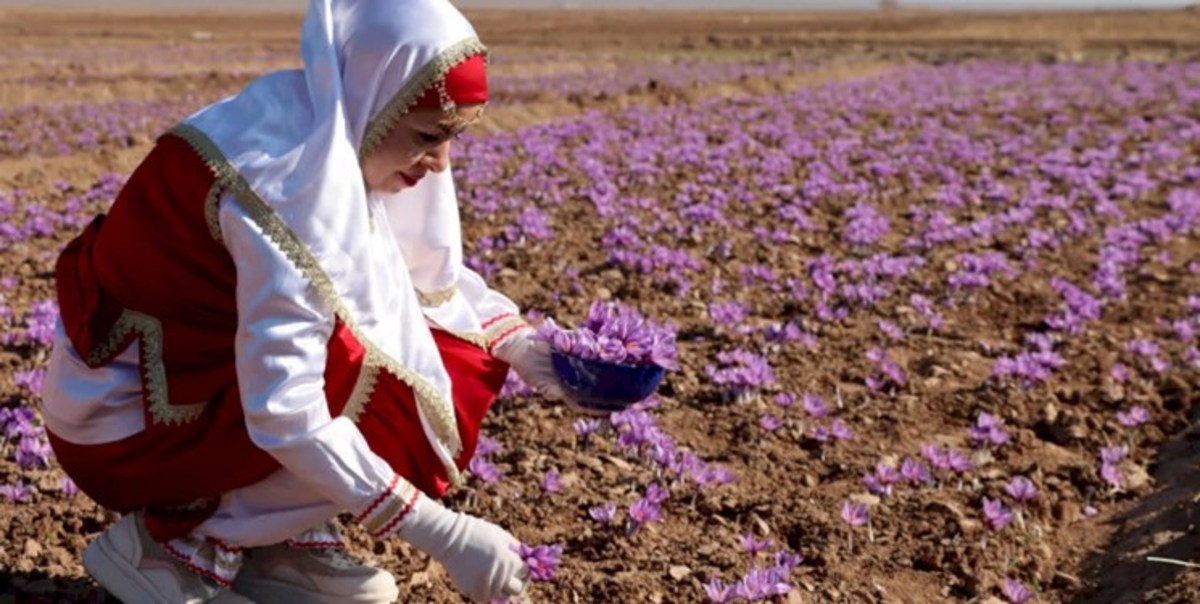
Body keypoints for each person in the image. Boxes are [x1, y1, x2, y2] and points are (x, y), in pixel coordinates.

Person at [41, 0, 572, 602]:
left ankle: (274, 542)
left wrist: (534, 354)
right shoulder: (286, 187)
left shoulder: (336, 124)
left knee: (430, 353)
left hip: (192, 389)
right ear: (379, 99)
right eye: (428, 136)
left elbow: (413, 284)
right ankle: (174, 547)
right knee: (367, 374)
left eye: (452, 138)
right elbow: (286, 409)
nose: (441, 162)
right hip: (123, 421)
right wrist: (442, 533)